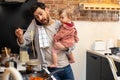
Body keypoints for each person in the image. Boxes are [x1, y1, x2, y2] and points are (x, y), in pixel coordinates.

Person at [15, 2, 75, 80]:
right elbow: (24, 42)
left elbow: (72, 43)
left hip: (66, 67)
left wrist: (64, 47)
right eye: (36, 17)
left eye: (41, 14)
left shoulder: (60, 24)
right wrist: (20, 37)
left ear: (47, 10)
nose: (40, 18)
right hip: (49, 69)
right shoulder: (35, 25)